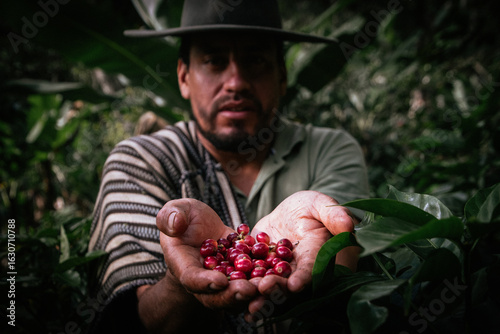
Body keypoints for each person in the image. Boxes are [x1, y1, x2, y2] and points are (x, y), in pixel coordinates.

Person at [88, 0, 370, 333]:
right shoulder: (142, 160)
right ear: (183, 77)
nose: (235, 82)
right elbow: (137, 320)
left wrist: (328, 243)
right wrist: (182, 283)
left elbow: (341, 260)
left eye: (255, 60)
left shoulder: (329, 149)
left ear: (282, 76)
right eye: (214, 61)